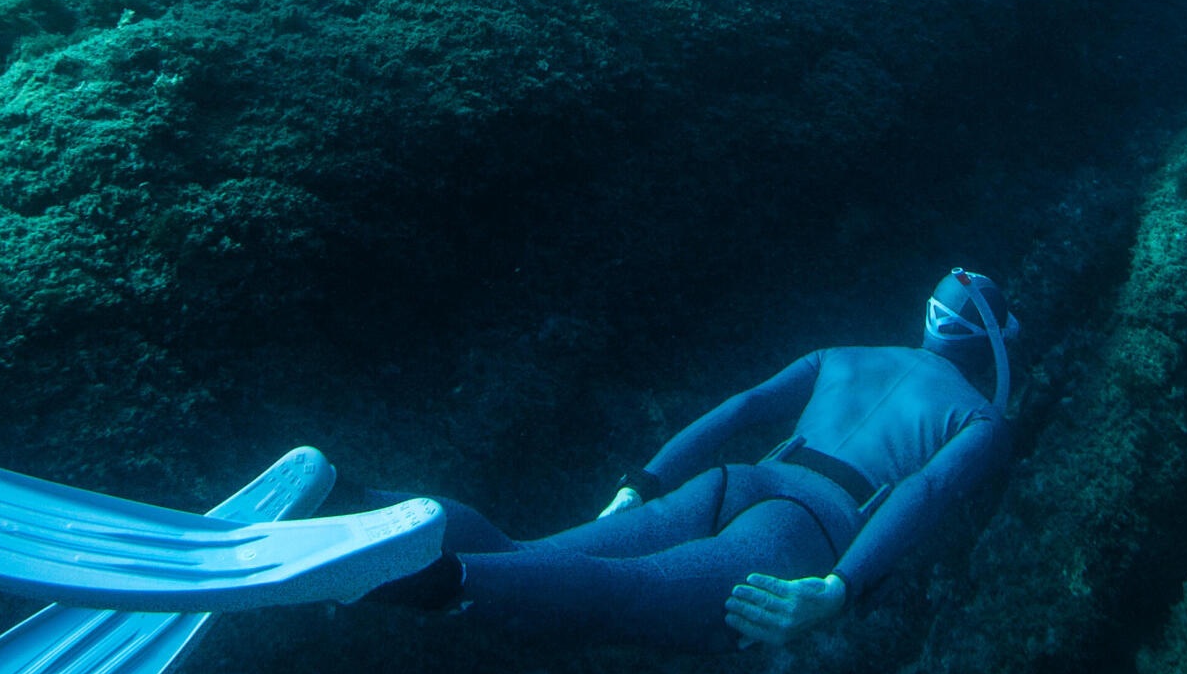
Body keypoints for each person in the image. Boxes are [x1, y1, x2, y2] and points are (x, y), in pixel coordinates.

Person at [371, 269, 1017, 654]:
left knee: (521, 556)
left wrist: (642, 481)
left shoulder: (843, 353)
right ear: (991, 343)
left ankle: (354, 505)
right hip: (807, 527)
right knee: (630, 595)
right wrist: (837, 587)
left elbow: (742, 407)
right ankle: (430, 579)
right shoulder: (981, 416)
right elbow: (927, 489)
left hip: (734, 480)